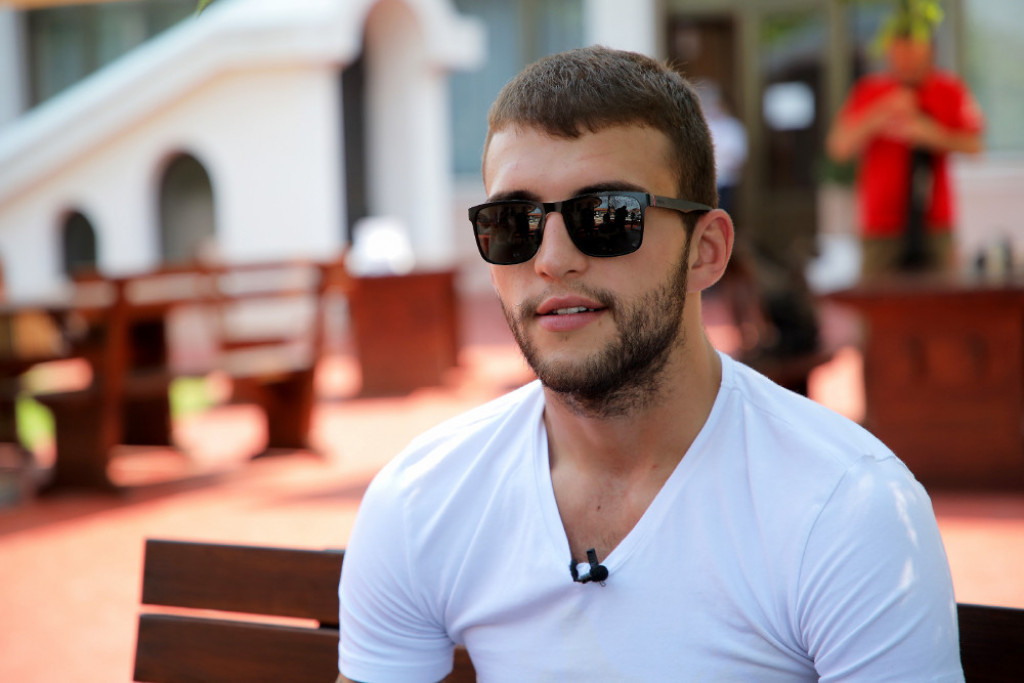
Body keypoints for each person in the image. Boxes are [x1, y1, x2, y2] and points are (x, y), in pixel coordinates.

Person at [338, 46, 962, 681]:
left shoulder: (844, 508)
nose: (551, 260)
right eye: (513, 222)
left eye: (607, 216)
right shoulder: (423, 500)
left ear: (706, 251)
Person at [826, 25, 984, 276]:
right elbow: (838, 148)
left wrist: (930, 135)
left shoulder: (949, 89)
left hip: (935, 222)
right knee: (879, 297)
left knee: (941, 296)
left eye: (913, 53)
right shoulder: (870, 91)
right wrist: (880, 114)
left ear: (930, 52)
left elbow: (976, 146)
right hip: (881, 223)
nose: (905, 61)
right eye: (899, 53)